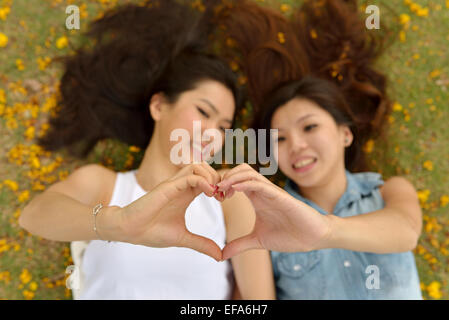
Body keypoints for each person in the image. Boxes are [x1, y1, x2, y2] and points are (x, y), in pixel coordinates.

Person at [18, 1, 275, 300]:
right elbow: (33, 217)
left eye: (222, 127)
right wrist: (118, 224)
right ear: (158, 106)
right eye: (204, 112)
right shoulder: (106, 186)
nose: (211, 134)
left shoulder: (228, 199)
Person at [213, 0, 423, 299]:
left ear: (345, 134)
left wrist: (324, 230)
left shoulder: (387, 192)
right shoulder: (265, 220)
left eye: (309, 127)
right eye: (279, 139)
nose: (296, 145)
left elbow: (405, 232)